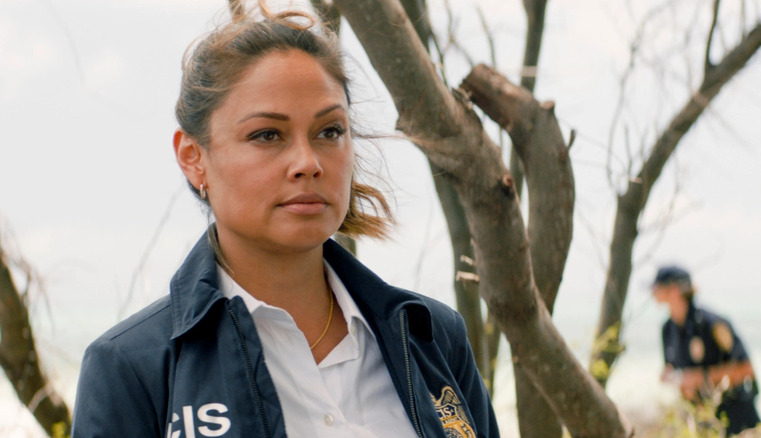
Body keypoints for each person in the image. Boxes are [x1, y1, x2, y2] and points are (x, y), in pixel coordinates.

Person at [70, 3, 498, 438]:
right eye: (267, 135)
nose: (308, 163)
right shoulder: (132, 367)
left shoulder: (430, 336)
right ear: (193, 157)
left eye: (329, 131)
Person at [652, 265, 761, 435]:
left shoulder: (712, 324)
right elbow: (673, 370)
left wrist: (700, 378)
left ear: (674, 290)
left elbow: (746, 370)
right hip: (701, 421)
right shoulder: (667, 329)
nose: (653, 291)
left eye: (657, 286)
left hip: (738, 421)